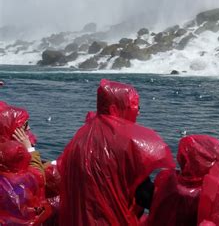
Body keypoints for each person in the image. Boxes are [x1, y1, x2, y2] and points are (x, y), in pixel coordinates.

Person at [59, 79, 175, 225]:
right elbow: (145, 195)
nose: (137, 112)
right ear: (115, 108)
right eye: (134, 106)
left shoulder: (79, 138)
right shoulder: (128, 142)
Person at [0, 101, 50, 224]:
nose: (28, 129)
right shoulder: (12, 157)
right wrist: (30, 150)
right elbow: (38, 178)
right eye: (24, 126)